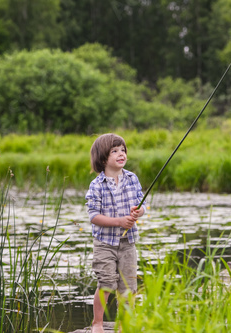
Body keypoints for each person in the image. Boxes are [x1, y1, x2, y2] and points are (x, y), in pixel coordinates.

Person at [85, 133, 145, 333]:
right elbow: (94, 216)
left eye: (123, 150)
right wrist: (119, 221)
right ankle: (98, 323)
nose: (121, 154)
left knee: (128, 286)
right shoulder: (97, 185)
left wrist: (138, 211)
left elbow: (143, 205)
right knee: (107, 283)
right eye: (115, 151)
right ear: (103, 158)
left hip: (128, 242)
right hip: (105, 243)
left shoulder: (132, 178)